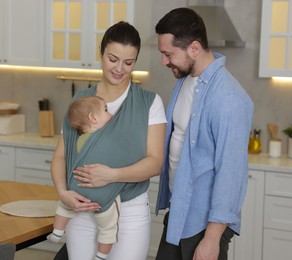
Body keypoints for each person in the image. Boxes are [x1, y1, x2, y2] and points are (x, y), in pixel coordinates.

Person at [52, 21, 166, 260]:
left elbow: (155, 163)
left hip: (129, 213)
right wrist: (63, 192)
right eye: (113, 59)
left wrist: (112, 175)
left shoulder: (149, 103)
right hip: (81, 210)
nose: (119, 69)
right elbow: (61, 156)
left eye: (128, 62)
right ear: (101, 53)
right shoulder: (81, 101)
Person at [154, 8, 254, 260]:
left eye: (168, 54)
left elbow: (231, 175)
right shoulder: (185, 81)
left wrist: (212, 239)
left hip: (204, 225)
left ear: (194, 48)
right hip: (179, 212)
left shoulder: (228, 97)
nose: (164, 62)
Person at [48, 95, 122, 260]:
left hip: (76, 188)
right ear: (93, 118)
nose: (110, 113)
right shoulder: (105, 140)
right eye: (105, 110)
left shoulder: (79, 140)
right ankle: (101, 255)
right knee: (109, 227)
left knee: (65, 205)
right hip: (100, 195)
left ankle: (57, 232)